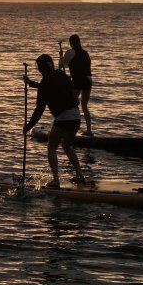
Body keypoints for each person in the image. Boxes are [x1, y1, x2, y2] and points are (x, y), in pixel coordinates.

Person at [23, 54, 88, 189]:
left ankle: (56, 180)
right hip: (76, 116)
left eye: (39, 68)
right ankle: (80, 176)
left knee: (52, 146)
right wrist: (31, 83)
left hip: (63, 118)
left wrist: (28, 126)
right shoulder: (61, 74)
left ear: (41, 68)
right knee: (66, 145)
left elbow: (39, 110)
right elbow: (55, 86)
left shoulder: (45, 83)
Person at [60, 34, 93, 136]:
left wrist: (61, 56)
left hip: (78, 81)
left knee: (71, 104)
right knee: (84, 105)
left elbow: (61, 65)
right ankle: (89, 131)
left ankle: (70, 128)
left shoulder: (70, 52)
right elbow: (84, 68)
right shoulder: (85, 53)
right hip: (88, 80)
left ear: (71, 43)